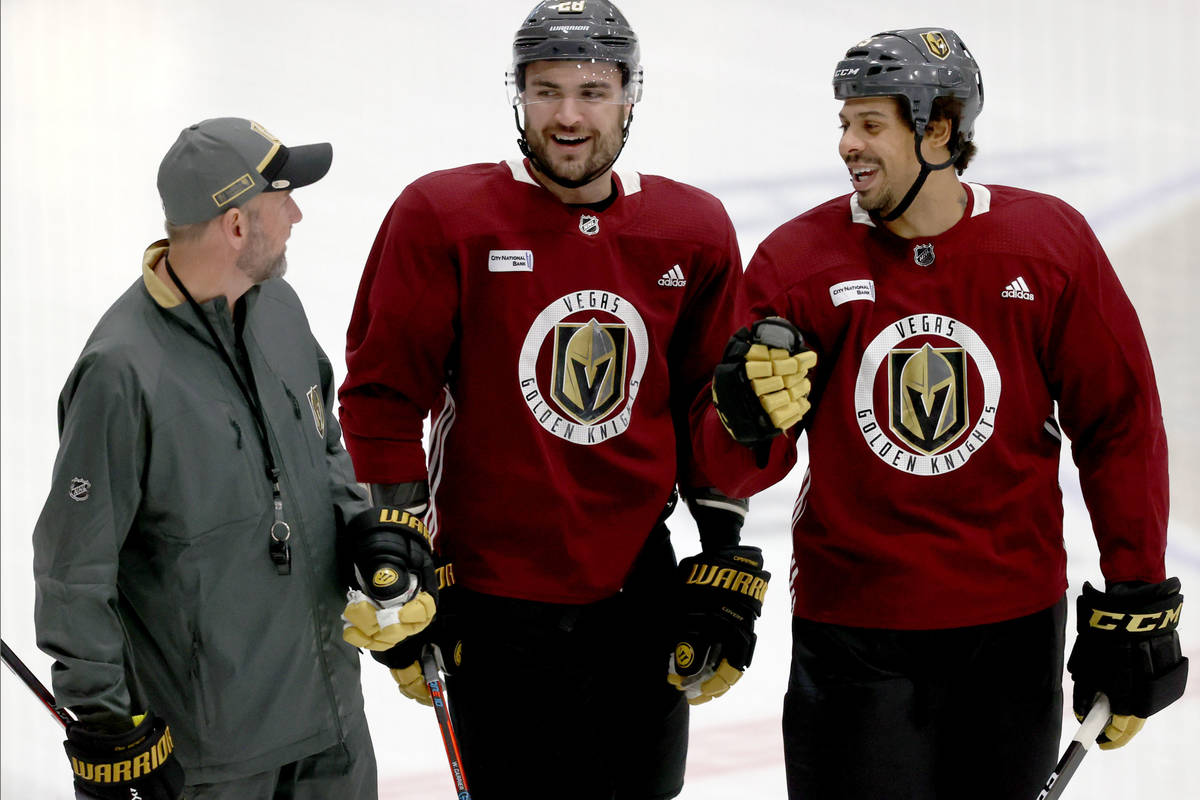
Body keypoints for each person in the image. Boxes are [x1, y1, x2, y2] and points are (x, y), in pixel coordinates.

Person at [696, 28, 1188, 799]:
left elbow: (1119, 424)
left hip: (1012, 631)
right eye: (843, 123)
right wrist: (741, 417)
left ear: (938, 128)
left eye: (869, 125)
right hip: (854, 631)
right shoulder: (798, 262)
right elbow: (734, 467)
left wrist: (1138, 596)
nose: (846, 146)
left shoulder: (1047, 245)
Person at [337, 2, 768, 797]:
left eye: (593, 91)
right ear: (518, 95)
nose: (568, 116)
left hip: (638, 591)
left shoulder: (692, 230)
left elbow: (713, 408)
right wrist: (401, 542)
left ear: (631, 97)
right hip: (495, 599)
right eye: (546, 91)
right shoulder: (443, 216)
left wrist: (722, 551)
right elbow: (384, 396)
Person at [31, 117, 406, 800]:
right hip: (214, 758)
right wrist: (108, 721)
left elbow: (323, 445)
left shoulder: (280, 311)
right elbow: (72, 570)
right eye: (281, 199)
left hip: (334, 729)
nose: (297, 213)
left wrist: (365, 532)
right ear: (236, 225)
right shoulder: (121, 371)